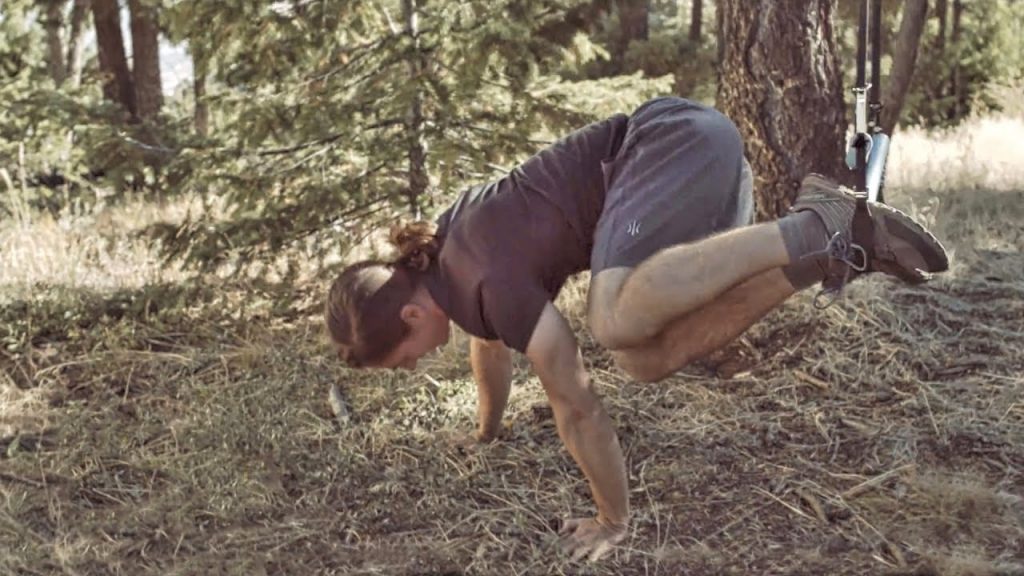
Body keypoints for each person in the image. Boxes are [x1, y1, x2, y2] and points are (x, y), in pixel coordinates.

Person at [323, 97, 948, 561]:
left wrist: (612, 519)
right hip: (688, 175)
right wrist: (486, 434)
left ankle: (823, 222)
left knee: (612, 318)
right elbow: (490, 345)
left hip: (673, 143)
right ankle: (826, 257)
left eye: (399, 359)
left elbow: (577, 405)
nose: (408, 367)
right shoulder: (448, 266)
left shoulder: (482, 279)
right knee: (641, 359)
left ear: (411, 314)